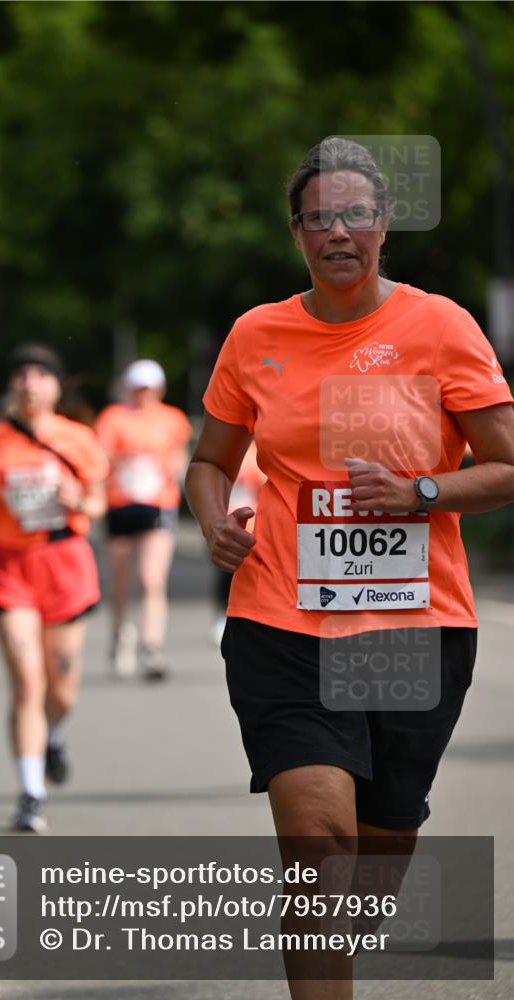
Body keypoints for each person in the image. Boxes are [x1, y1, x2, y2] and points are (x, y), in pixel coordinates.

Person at [185, 137, 514, 998]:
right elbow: (207, 462)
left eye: (355, 213)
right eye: (319, 216)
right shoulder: (257, 335)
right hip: (283, 623)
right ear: (295, 232)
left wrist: (420, 489)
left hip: (415, 629)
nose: (338, 230)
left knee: (377, 856)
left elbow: (506, 464)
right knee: (317, 847)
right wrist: (215, 523)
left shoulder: (440, 326)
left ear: (382, 227)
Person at [0, 344, 108, 833]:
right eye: (21, 375)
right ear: (11, 386)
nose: (30, 383)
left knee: (62, 688)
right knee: (27, 680)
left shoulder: (79, 439)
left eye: (40, 375)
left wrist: (80, 501)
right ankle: (31, 793)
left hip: (65, 562)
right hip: (9, 567)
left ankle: (54, 735)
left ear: (55, 386)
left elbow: (98, 501)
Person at [95, 359, 192, 680]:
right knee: (121, 582)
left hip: (157, 503)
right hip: (120, 503)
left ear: (159, 390)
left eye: (148, 388)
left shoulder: (172, 419)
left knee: (151, 578)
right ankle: (120, 635)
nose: (142, 394)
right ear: (128, 388)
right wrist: (126, 460)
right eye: (137, 388)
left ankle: (152, 646)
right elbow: (101, 456)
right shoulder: (113, 418)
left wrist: (167, 469)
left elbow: (179, 457)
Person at [210, 441, 265, 645]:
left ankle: (251, 616)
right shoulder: (228, 451)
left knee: (250, 573)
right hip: (228, 521)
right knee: (225, 573)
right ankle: (221, 614)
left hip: (253, 522)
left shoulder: (259, 453)